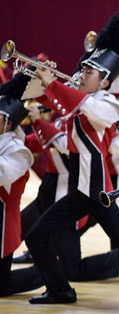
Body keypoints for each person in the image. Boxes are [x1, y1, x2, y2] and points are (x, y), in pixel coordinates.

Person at [25, 5, 119, 313]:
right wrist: (40, 79)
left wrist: (54, 85)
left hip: (100, 191)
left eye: (88, 73)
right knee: (36, 237)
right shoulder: (78, 104)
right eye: (81, 71)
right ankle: (60, 290)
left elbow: (85, 107)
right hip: (80, 191)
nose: (79, 76)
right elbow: (48, 101)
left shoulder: (108, 105)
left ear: (104, 81)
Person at [0, 73, 44, 296]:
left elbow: (3, 174)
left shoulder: (19, 151)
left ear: (8, 122)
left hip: (3, 226)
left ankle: (47, 271)